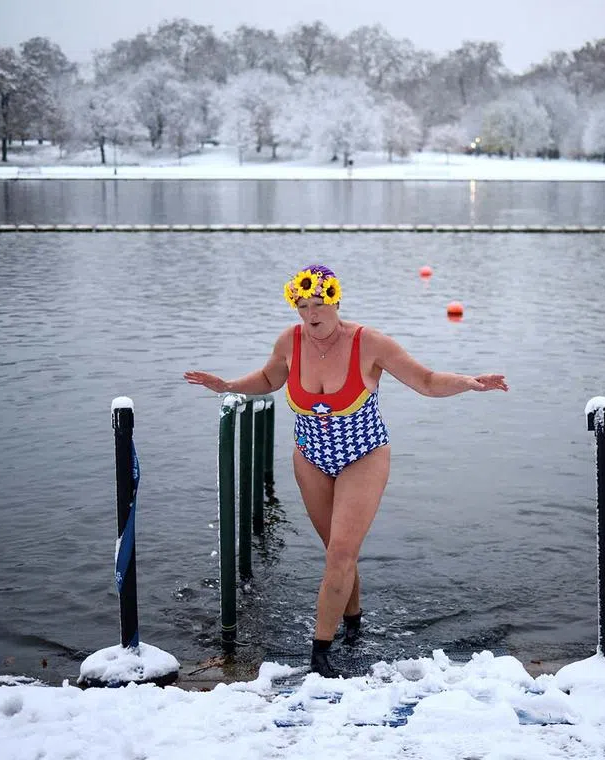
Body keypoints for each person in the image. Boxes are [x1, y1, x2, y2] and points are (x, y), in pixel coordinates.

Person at [184, 264, 508, 677]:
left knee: (340, 553)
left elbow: (425, 381)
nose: (311, 315)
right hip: (310, 457)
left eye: (318, 305)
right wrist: (227, 385)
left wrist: (468, 382)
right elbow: (269, 377)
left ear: (335, 301)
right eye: (302, 306)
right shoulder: (290, 340)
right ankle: (353, 624)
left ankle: (319, 656)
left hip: (364, 456)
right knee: (338, 552)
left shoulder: (368, 343)